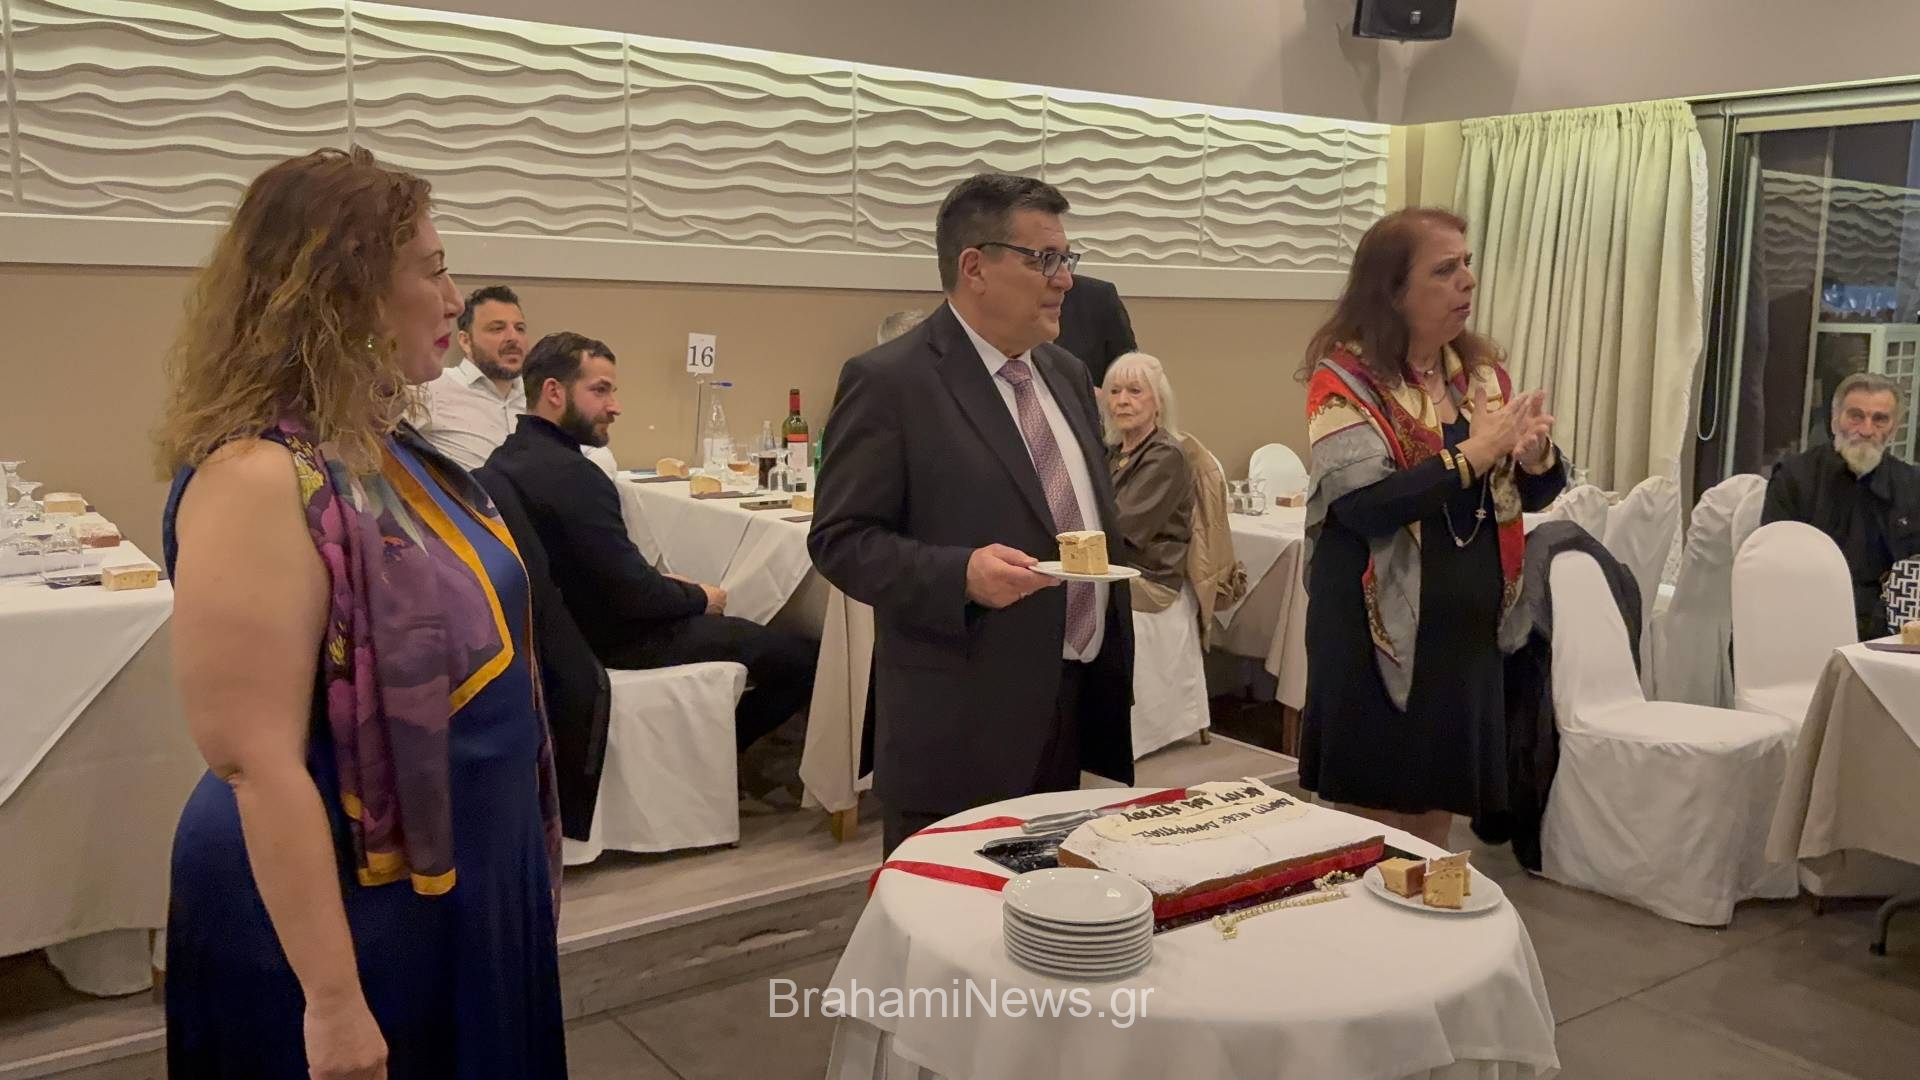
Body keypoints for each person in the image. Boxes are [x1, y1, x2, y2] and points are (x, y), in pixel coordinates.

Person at [153, 148, 565, 1078]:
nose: (453, 298)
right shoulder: (258, 476)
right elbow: (254, 762)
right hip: (347, 910)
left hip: (453, 880)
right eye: (432, 272)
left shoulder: (379, 445)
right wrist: (335, 1005)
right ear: (345, 295)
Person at [809, 173, 1136, 856]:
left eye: (1066, 259)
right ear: (975, 267)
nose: (1065, 280)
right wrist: (960, 575)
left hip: (1073, 702)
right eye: (1044, 259)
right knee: (950, 914)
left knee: (1054, 906)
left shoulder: (1068, 375)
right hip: (961, 722)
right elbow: (841, 539)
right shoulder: (891, 381)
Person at [1300, 207, 1565, 850]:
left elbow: (1525, 495)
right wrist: (1474, 454)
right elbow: (1364, 505)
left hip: (1462, 637)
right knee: (1368, 828)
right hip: (1374, 633)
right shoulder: (1344, 383)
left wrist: (1533, 457)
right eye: (1444, 270)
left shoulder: (1480, 379)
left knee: (1434, 817)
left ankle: (1424, 911)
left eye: (1466, 264)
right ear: (1392, 291)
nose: (1467, 281)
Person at [483, 331, 817, 755]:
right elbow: (633, 596)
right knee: (802, 659)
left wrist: (663, 585)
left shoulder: (505, 458)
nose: (615, 406)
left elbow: (604, 569)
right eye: (600, 390)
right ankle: (716, 758)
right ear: (553, 392)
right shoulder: (574, 476)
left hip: (563, 633)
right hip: (612, 642)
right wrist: (701, 597)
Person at [1762, 372, 1920, 639]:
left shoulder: (1912, 486)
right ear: (1835, 420)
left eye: (1880, 419)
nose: (1866, 430)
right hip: (1803, 623)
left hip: (1888, 635)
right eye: (1856, 416)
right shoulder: (1795, 478)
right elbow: (1771, 566)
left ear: (1894, 429)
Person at [1102, 351, 1194, 613]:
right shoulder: (1112, 452)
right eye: (1114, 391)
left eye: (1135, 391)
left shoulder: (1165, 455)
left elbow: (1121, 529)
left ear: (1159, 402)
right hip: (1114, 566)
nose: (1122, 401)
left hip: (1148, 576)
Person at [418, 284, 529, 469]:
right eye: (497, 328)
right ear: (465, 341)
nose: (513, 337)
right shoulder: (431, 388)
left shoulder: (537, 397)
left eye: (520, 328)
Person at [1055, 272, 1138, 387]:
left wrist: (1101, 395)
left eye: (1064, 262)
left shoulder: (1097, 297)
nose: (1066, 280)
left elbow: (1130, 374)